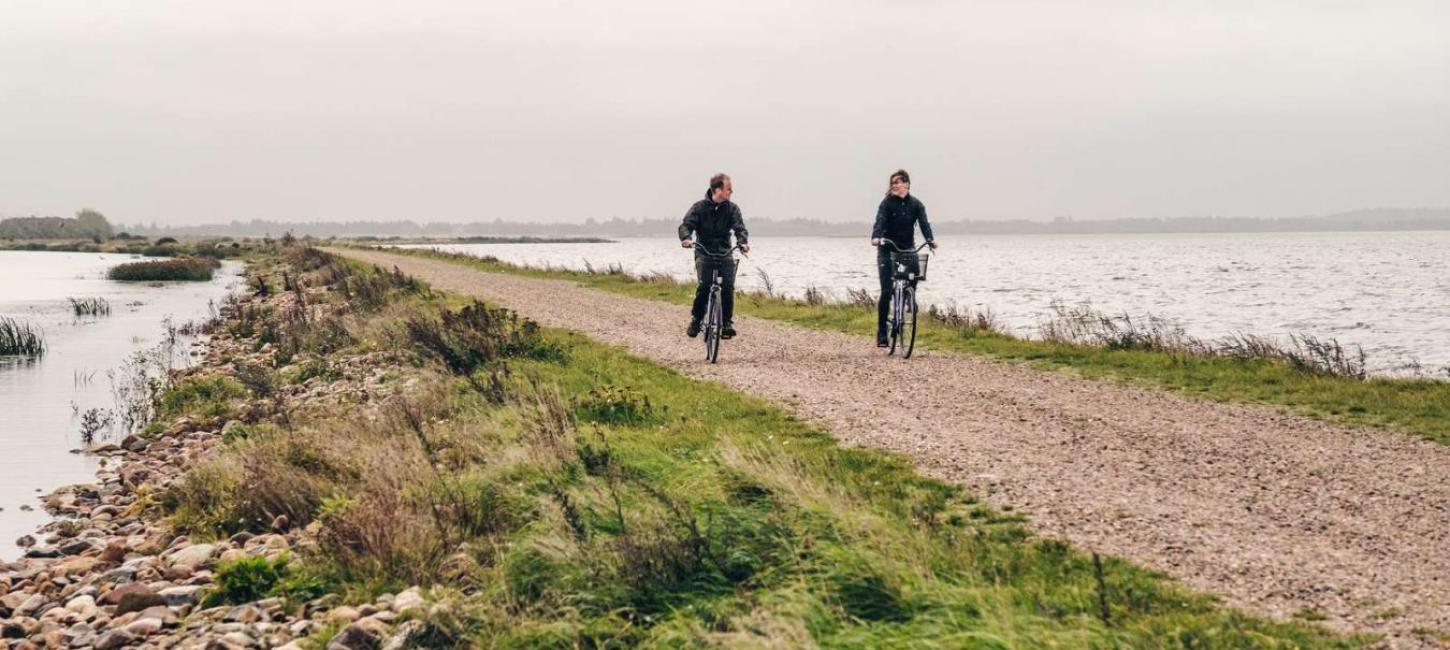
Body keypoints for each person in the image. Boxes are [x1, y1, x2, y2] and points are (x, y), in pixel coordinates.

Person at [870, 169, 938, 347]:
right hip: (887, 249)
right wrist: (876, 237)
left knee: (915, 270)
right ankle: (882, 333)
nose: (895, 185)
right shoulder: (886, 203)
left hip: (907, 248)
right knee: (886, 290)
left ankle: (909, 296)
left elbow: (924, 223)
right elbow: (880, 221)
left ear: (907, 184)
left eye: (898, 182)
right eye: (893, 183)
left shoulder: (916, 204)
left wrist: (930, 240)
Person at [679, 173, 750, 339]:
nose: (731, 192)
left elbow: (740, 228)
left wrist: (743, 242)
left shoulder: (732, 209)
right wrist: (686, 238)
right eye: (728, 189)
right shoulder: (699, 208)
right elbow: (685, 225)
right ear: (718, 190)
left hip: (725, 252)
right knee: (704, 286)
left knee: (728, 286)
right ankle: (696, 319)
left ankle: (726, 322)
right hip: (704, 251)